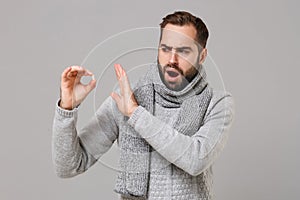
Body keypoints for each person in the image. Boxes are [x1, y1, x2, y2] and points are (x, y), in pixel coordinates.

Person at [52, 11, 234, 200]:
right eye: (165, 49)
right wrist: (66, 108)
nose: (172, 60)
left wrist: (135, 114)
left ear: (202, 55)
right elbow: (69, 167)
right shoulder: (126, 99)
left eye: (183, 51)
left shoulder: (218, 103)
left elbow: (196, 160)